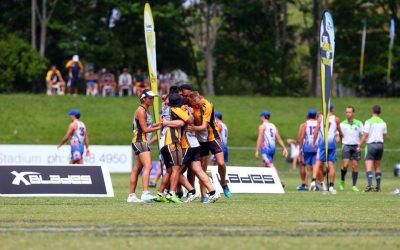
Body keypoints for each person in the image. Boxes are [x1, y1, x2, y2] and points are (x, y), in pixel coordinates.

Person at [187, 91, 231, 201]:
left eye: (196, 101)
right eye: (193, 103)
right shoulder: (192, 107)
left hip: (212, 136)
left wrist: (192, 128)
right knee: (202, 167)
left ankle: (223, 182)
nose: (196, 104)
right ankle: (203, 195)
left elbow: (203, 126)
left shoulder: (207, 105)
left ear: (199, 97)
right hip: (201, 140)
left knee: (221, 163)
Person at [127, 89, 161, 203]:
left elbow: (148, 125)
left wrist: (159, 124)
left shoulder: (146, 110)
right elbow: (145, 129)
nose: (152, 100)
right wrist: (160, 127)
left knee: (136, 169)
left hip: (141, 141)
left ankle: (131, 196)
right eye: (150, 98)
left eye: (152, 98)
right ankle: (145, 193)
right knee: (148, 166)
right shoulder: (141, 111)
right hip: (140, 140)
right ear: (143, 99)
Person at [310, 103, 343, 194]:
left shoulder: (320, 118)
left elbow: (316, 131)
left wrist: (313, 142)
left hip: (322, 143)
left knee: (318, 162)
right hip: (332, 144)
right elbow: (340, 132)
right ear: (332, 109)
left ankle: (313, 180)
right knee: (331, 164)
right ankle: (331, 186)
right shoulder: (336, 119)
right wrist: (340, 137)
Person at [255, 110, 288, 187]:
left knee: (269, 164)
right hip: (273, 148)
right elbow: (278, 138)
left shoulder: (262, 126)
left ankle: (279, 181)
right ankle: (260, 181)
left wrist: (256, 150)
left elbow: (259, 138)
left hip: (265, 149)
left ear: (263, 117)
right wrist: (284, 148)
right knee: (265, 165)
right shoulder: (273, 126)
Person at [359, 105, 387, 192]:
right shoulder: (383, 122)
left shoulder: (368, 121)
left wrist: (359, 145)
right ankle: (378, 187)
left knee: (368, 166)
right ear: (380, 112)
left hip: (371, 145)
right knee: (378, 166)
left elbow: (365, 134)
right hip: (380, 145)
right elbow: (384, 135)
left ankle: (369, 185)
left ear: (372, 111)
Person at [339, 106, 364, 192]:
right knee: (345, 165)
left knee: (355, 166)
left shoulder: (359, 123)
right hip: (346, 146)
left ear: (353, 113)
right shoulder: (342, 124)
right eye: (346, 112)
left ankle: (354, 185)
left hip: (355, 146)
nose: (348, 114)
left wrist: (359, 145)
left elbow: (363, 135)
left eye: (349, 112)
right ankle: (342, 181)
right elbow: (338, 135)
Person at [297, 109, 318, 191]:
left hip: (307, 147)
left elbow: (301, 137)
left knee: (303, 165)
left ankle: (304, 184)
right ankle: (314, 184)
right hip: (316, 147)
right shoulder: (319, 124)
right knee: (315, 165)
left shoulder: (304, 124)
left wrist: (300, 149)